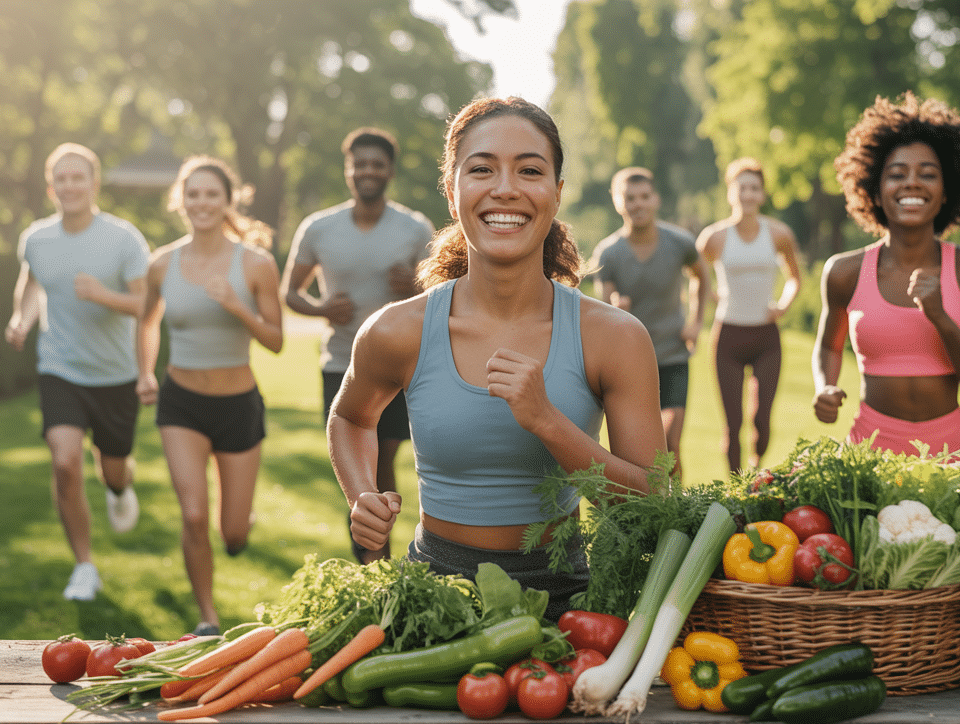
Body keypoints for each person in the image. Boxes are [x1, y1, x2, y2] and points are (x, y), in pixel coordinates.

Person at [328, 96, 668, 620]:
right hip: (434, 600)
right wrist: (361, 494)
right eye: (482, 169)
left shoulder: (614, 337)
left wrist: (549, 423)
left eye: (529, 171)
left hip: (568, 603)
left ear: (556, 194)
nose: (505, 188)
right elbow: (351, 416)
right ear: (452, 189)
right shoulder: (398, 330)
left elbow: (652, 503)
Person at [812, 92, 960, 463]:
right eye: (897, 174)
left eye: (928, 174)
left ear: (947, 189)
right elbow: (828, 345)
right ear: (875, 189)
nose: (912, 183)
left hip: (950, 457)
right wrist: (826, 386)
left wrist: (942, 319)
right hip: (869, 455)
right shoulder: (844, 272)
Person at [137, 156, 283, 635]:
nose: (202, 203)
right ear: (181, 200)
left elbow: (275, 341)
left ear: (228, 200)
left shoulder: (256, 264)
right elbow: (146, 321)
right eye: (193, 194)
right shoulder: (162, 263)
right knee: (194, 515)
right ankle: (207, 617)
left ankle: (240, 522)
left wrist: (235, 304)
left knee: (233, 534)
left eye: (211, 194)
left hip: (238, 405)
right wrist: (144, 372)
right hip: (181, 403)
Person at [281, 127, 434, 564]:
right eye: (360, 164)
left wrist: (417, 283)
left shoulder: (414, 227)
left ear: (389, 171)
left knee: (382, 461)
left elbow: (446, 291)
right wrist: (322, 309)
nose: (368, 171)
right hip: (339, 363)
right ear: (349, 171)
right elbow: (290, 293)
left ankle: (376, 562)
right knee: (360, 468)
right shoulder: (319, 228)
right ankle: (375, 562)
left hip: (400, 367)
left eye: (377, 164)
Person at [5, 143, 149, 602]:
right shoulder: (37, 238)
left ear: (94, 183)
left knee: (112, 470)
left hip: (114, 374)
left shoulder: (123, 238)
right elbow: (31, 285)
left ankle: (119, 488)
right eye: (61, 179)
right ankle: (84, 567)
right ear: (52, 187)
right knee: (65, 462)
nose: (69, 186)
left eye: (77, 177)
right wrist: (21, 318)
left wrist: (103, 295)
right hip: (60, 368)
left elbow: (145, 305)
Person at [590, 167, 710, 476]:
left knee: (671, 444)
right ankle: (651, 513)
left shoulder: (680, 242)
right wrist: (616, 306)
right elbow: (603, 301)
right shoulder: (609, 252)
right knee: (642, 453)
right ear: (618, 202)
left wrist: (696, 322)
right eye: (630, 198)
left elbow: (702, 277)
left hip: (672, 354)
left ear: (655, 199)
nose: (638, 204)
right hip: (631, 364)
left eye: (644, 197)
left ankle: (678, 512)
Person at [696, 157, 803, 473]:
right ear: (731, 193)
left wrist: (782, 305)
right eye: (742, 188)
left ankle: (756, 467)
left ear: (762, 194)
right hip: (728, 335)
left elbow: (795, 277)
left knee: (762, 420)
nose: (748, 194)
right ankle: (735, 484)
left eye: (754, 188)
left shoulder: (778, 234)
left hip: (766, 337)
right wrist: (711, 295)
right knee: (733, 423)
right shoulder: (714, 237)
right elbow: (694, 275)